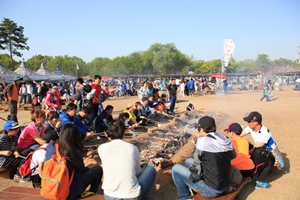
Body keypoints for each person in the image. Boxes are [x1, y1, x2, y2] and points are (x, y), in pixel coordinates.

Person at [172, 116, 235, 199]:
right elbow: (234, 156)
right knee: (188, 161)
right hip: (225, 183)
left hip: (211, 190)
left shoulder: (202, 141)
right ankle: (191, 188)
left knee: (175, 169)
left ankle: (185, 197)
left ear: (201, 129)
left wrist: (194, 178)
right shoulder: (226, 139)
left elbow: (197, 167)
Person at [98, 120, 156, 200]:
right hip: (130, 196)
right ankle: (143, 198)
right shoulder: (132, 148)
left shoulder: (101, 148)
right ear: (123, 133)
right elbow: (137, 172)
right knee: (151, 169)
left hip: (109, 195)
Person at [240, 111, 284, 189]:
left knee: (267, 161)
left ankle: (259, 181)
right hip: (259, 149)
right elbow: (239, 135)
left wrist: (244, 154)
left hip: (271, 151)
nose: (248, 123)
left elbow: (256, 147)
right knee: (249, 147)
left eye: (249, 121)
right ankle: (253, 172)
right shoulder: (250, 128)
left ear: (256, 122)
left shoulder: (265, 132)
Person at [59, 123, 103, 199]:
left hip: (57, 184)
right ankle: (91, 194)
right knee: (97, 169)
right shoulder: (72, 151)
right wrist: (89, 170)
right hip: (69, 190)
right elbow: (81, 169)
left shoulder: (56, 147)